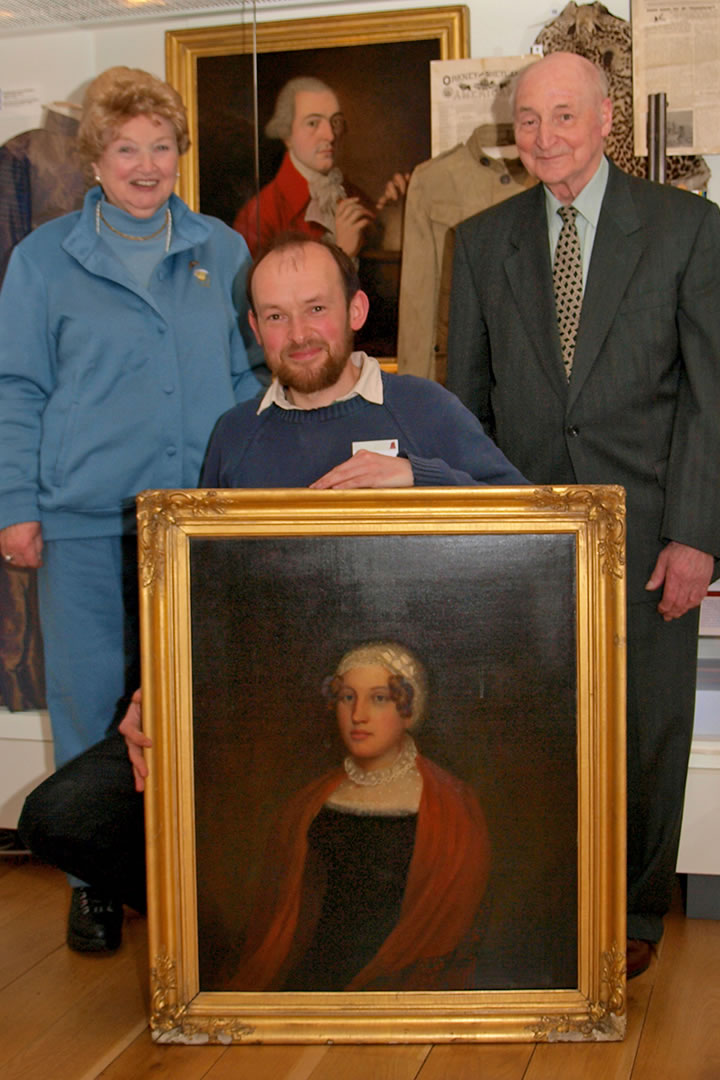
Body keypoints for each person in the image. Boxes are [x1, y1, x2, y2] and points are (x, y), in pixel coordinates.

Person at [18, 233, 526, 937]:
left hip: (391, 711)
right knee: (58, 816)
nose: (299, 333)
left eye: (316, 309)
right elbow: (195, 593)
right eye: (276, 316)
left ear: (355, 310)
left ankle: (305, 928)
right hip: (255, 712)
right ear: (253, 329)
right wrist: (153, 693)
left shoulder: (423, 408)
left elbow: (539, 525)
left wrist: (420, 474)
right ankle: (237, 930)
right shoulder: (235, 435)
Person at [445, 51, 720, 978]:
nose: (545, 138)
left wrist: (697, 536)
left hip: (651, 534)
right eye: (528, 121)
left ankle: (634, 914)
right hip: (527, 539)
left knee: (646, 730)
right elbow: (468, 407)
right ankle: (541, 896)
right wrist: (482, 536)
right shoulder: (481, 244)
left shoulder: (687, 230)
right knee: (527, 726)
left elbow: (711, 401)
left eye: (564, 116)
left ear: (607, 120)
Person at [0, 66, 263, 953]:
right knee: (86, 706)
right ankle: (95, 883)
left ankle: (196, 874)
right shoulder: (42, 261)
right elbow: (17, 390)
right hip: (80, 519)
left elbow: (247, 384)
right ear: (96, 161)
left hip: (195, 526)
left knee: (197, 703)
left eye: (162, 146)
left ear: (180, 155)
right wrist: (15, 507)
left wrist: (252, 500)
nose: (146, 165)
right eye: (126, 149)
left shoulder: (222, 251)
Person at [227, 641, 489, 993]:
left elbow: (455, 926)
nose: (358, 715)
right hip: (313, 982)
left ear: (409, 710)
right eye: (347, 697)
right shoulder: (308, 803)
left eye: (379, 698)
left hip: (402, 986)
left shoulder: (451, 806)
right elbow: (282, 921)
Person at [232, 77, 405, 259]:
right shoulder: (260, 215)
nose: (330, 135)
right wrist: (342, 252)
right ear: (287, 134)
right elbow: (261, 286)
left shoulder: (347, 191)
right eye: (313, 123)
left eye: (335, 122)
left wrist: (390, 214)